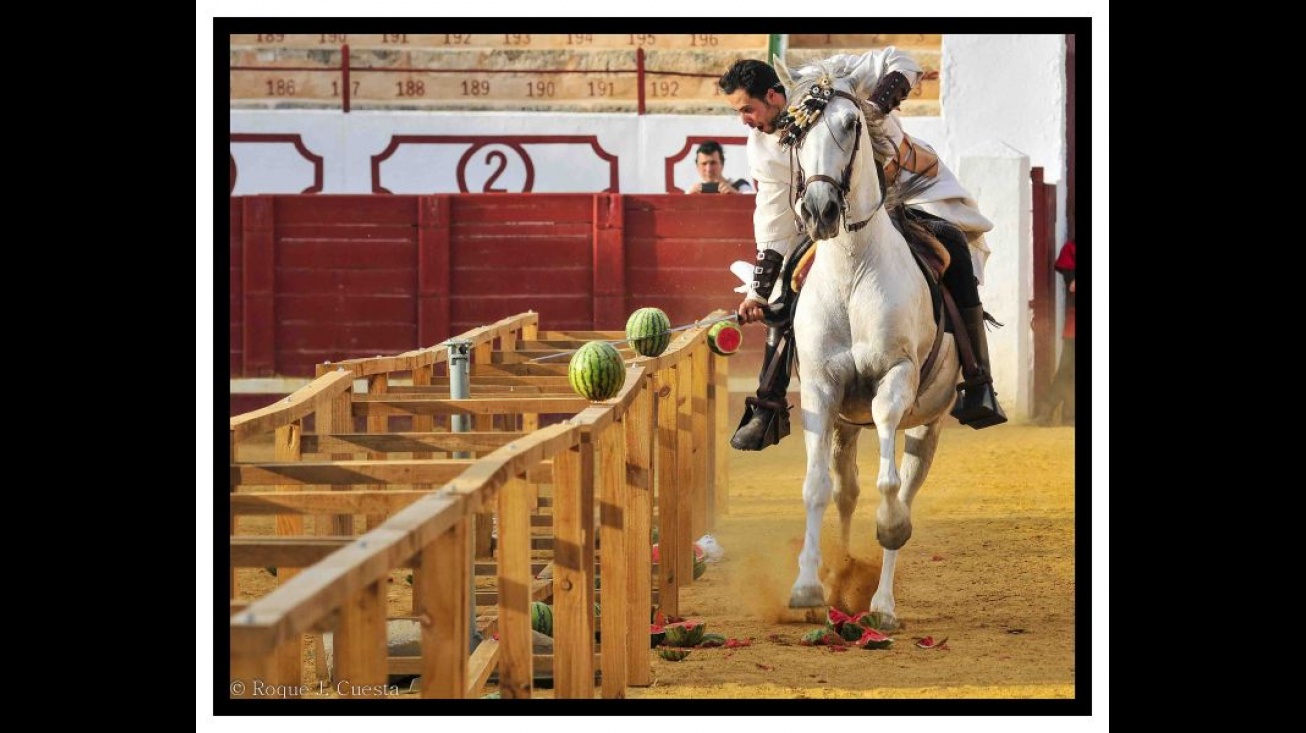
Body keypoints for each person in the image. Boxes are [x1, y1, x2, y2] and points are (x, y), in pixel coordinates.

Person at [718, 50, 1007, 451]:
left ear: (773, 96)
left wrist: (871, 108)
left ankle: (978, 379)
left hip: (909, 191)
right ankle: (769, 401)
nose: (744, 120)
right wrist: (759, 292)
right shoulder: (762, 146)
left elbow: (901, 60)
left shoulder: (837, 76)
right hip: (834, 216)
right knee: (788, 289)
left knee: (954, 246)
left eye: (746, 109)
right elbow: (772, 218)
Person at [1035, 240, 1075, 426]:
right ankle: (1048, 409)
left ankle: (1069, 416)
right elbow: (1073, 285)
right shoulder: (1071, 248)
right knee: (1067, 369)